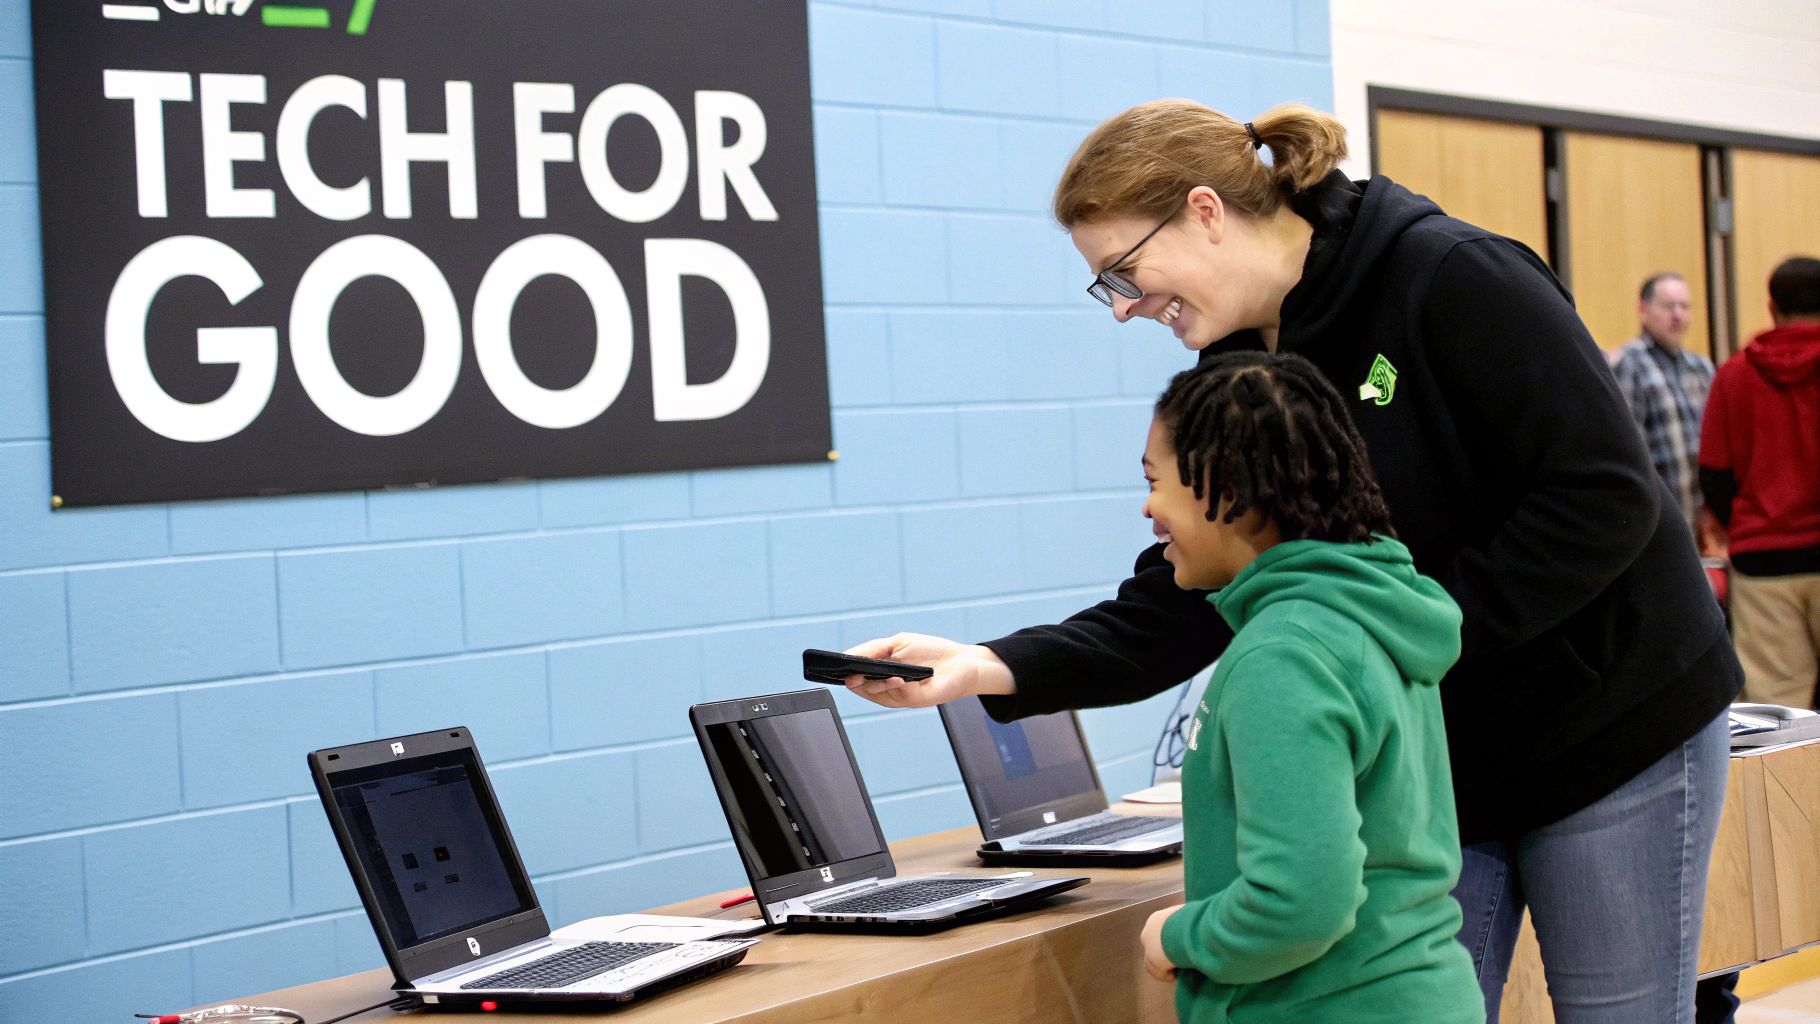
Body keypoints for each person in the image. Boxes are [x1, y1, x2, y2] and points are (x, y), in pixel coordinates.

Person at [846, 99, 1739, 1024]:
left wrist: (1392, 644)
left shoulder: (1451, 275)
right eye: (1104, 286)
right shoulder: (1234, 365)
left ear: (1203, 210)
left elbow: (1603, 498)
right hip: (1440, 746)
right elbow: (1197, 584)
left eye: (1124, 271)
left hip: (1609, 722)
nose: (1124, 308)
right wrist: (988, 667)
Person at [1134, 351, 1482, 1024]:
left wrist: (1179, 936)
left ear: (1224, 491)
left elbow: (1302, 898)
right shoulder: (1364, 613)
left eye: (1155, 481)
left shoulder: (1285, 655)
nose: (1148, 508)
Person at [1700, 256, 1820, 709]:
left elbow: (1713, 473)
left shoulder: (1733, 375)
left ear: (1772, 308)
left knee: (1783, 718)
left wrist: (1745, 523)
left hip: (1763, 563)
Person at [1611, 272, 1716, 536]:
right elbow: (1627, 449)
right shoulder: (1629, 364)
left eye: (1684, 307)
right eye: (1668, 306)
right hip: (1654, 521)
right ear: (1643, 310)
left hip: (1697, 518)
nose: (1678, 315)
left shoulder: (1701, 367)